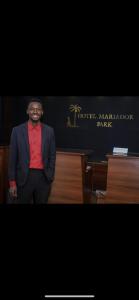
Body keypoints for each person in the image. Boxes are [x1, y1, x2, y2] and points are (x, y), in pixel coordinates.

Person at [8, 98, 56, 204]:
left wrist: (50, 175)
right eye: (32, 109)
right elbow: (12, 158)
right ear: (27, 111)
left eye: (38, 109)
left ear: (42, 112)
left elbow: (52, 155)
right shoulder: (17, 131)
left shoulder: (49, 131)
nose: (35, 111)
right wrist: (12, 183)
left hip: (43, 178)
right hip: (24, 178)